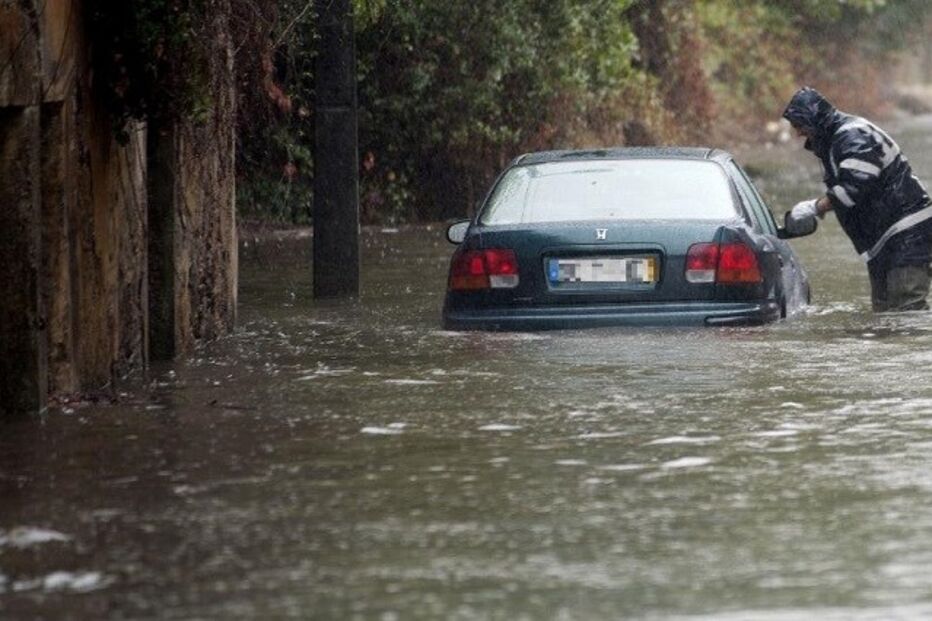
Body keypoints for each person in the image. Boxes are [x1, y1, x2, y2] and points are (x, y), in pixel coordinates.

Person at [783, 87, 932, 311]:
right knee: (884, 312)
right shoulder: (837, 138)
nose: (798, 133)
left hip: (907, 230)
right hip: (886, 236)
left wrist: (816, 206)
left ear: (815, 120)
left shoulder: (852, 136)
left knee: (906, 307)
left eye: (800, 125)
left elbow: (855, 186)